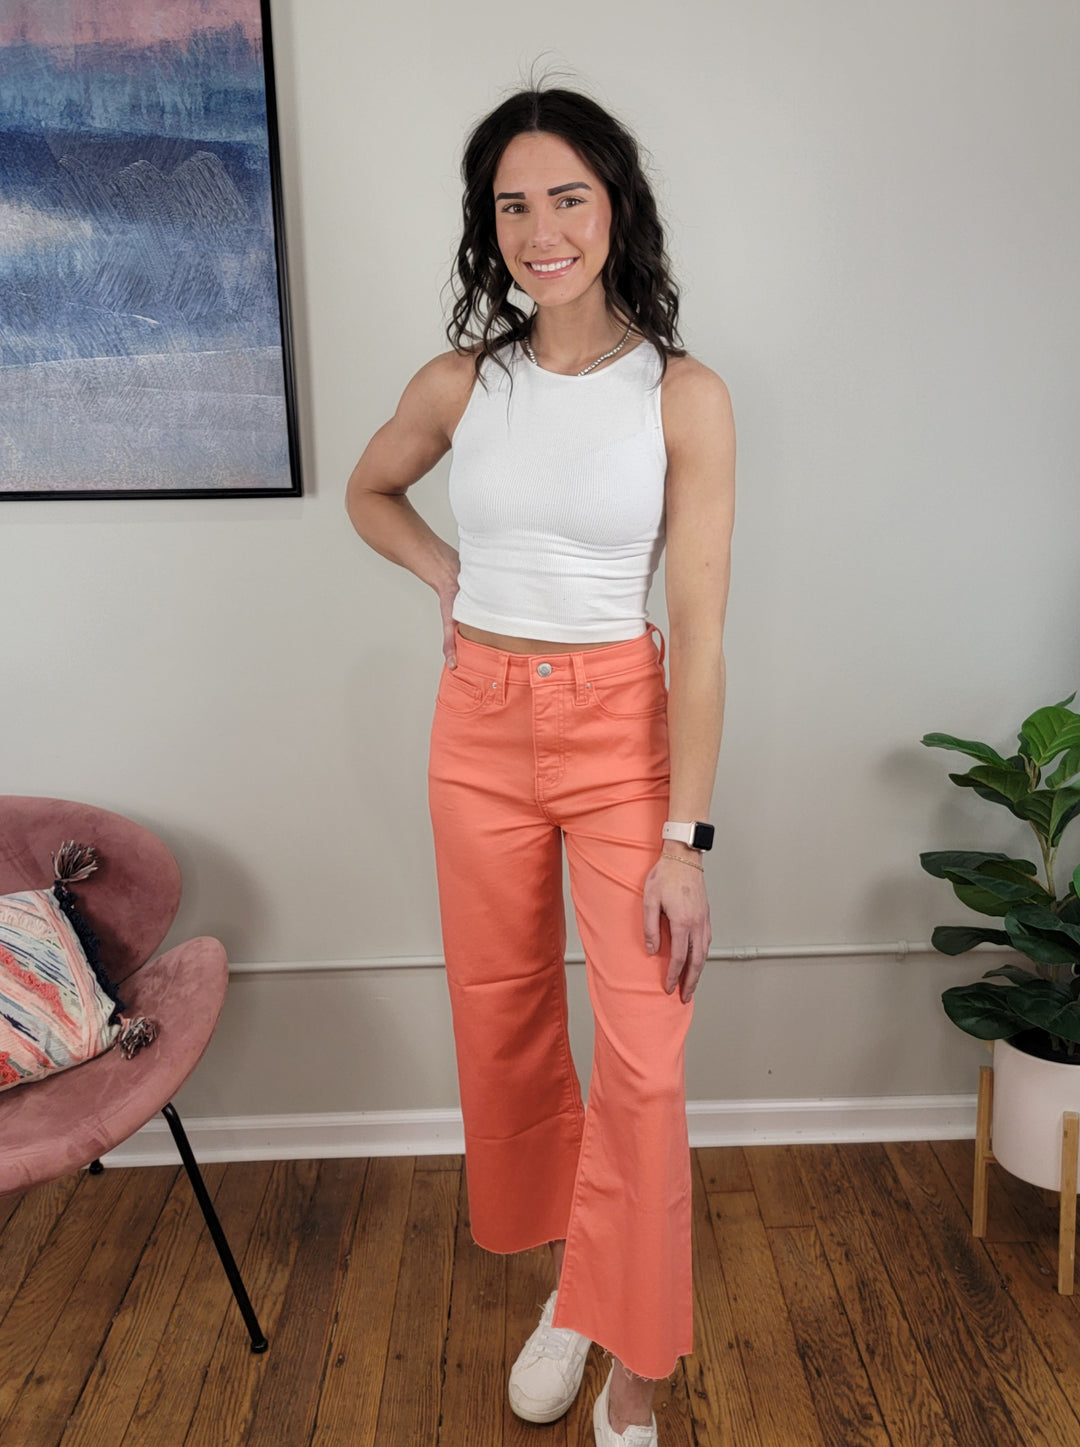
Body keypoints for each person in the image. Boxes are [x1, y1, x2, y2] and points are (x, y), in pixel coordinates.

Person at [346, 81, 734, 1447]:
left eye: (567, 196)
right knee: (507, 1023)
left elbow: (700, 633)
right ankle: (577, 1289)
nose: (541, 229)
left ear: (615, 205)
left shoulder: (682, 394)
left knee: (645, 1062)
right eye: (513, 204)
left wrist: (686, 841)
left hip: (621, 732)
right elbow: (369, 491)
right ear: (488, 224)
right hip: (478, 728)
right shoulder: (462, 382)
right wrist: (450, 576)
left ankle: (637, 1375)